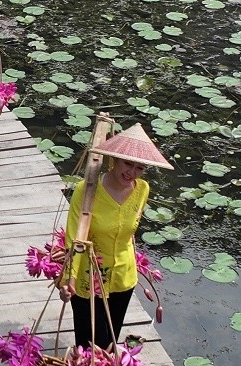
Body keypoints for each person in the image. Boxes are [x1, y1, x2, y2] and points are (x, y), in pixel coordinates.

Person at [58, 124, 172, 351]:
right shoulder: (86, 190)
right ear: (114, 160)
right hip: (88, 277)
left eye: (140, 168)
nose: (132, 173)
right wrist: (68, 279)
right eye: (127, 163)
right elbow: (74, 237)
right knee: (88, 345)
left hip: (123, 276)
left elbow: (130, 233)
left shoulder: (142, 189)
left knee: (109, 342)